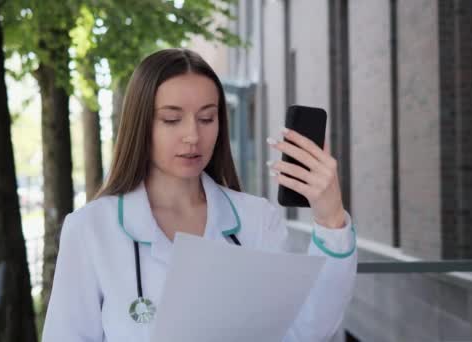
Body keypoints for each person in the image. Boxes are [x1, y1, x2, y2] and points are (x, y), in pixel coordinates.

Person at [42, 48, 357, 342]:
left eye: (207, 118)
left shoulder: (256, 220)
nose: (193, 135)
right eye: (172, 119)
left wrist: (331, 218)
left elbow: (306, 330)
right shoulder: (91, 228)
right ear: (141, 125)